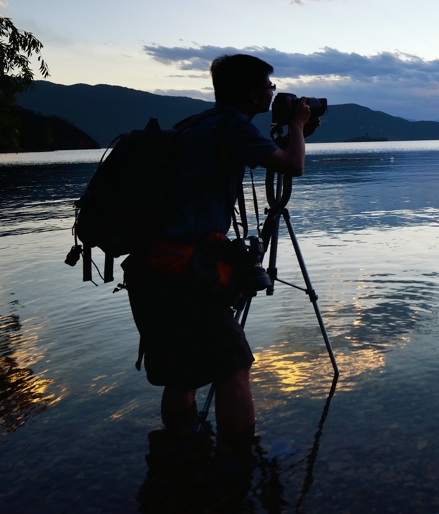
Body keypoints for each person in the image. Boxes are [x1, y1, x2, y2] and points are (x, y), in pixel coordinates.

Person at [124, 53, 313, 458]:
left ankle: (176, 452)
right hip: (183, 274)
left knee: (181, 374)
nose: (272, 94)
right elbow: (292, 164)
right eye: (269, 87)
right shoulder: (232, 128)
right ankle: (239, 463)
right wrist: (296, 125)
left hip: (150, 267)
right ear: (250, 92)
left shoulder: (197, 124)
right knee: (234, 369)